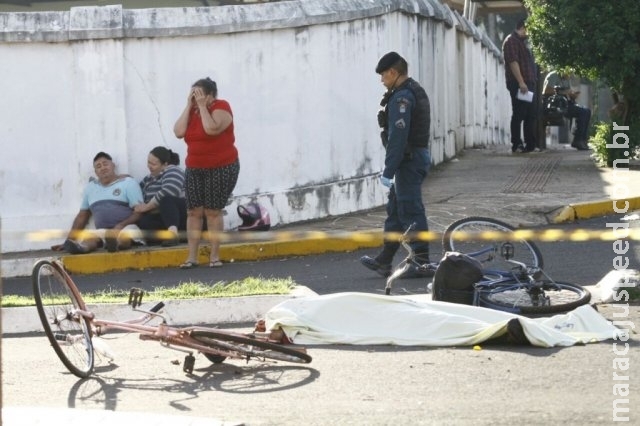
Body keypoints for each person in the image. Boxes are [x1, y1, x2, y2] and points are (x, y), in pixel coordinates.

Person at [359, 52, 432, 279]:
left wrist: (389, 170)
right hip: (408, 160)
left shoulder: (403, 98)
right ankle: (385, 259)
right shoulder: (407, 91)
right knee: (395, 211)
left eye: (383, 75)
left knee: (410, 210)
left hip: (408, 161)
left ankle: (421, 262)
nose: (382, 79)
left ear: (393, 72)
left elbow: (398, 139)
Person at [173, 77, 240, 269]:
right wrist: (189, 105)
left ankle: (214, 256)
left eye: (199, 94)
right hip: (195, 167)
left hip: (221, 166)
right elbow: (178, 132)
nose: (196, 98)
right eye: (193, 94)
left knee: (212, 211)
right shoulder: (192, 110)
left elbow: (212, 129)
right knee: (193, 212)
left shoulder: (221, 107)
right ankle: (191, 257)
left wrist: (202, 107)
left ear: (210, 95)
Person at [51, 152, 144, 254]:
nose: (103, 168)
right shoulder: (91, 188)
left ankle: (116, 243)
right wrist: (69, 240)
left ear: (113, 165)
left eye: (105, 164)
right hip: (103, 231)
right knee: (90, 237)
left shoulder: (128, 183)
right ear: (95, 172)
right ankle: (81, 248)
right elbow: (82, 216)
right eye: (98, 166)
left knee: (125, 236)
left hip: (126, 227)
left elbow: (139, 212)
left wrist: (120, 226)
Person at [134, 146, 187, 246]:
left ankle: (173, 235)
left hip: (182, 215)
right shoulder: (147, 179)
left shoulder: (173, 170)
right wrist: (126, 179)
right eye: (148, 162)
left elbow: (169, 192)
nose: (149, 166)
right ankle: (176, 236)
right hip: (163, 218)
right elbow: (136, 189)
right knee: (144, 223)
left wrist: (147, 207)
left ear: (165, 164)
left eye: (153, 164)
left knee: (166, 200)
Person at [502, 18, 538, 153]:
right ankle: (516, 143)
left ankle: (530, 145)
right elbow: (513, 62)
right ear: (522, 27)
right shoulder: (511, 41)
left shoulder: (521, 42)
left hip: (528, 83)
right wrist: (521, 82)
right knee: (519, 113)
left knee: (530, 114)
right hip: (519, 84)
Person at [542, 70, 591, 150]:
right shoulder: (553, 76)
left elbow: (567, 93)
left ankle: (581, 139)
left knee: (586, 111)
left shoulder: (567, 78)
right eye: (569, 72)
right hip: (554, 105)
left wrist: (572, 95)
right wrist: (565, 92)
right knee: (583, 112)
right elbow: (547, 91)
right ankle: (578, 141)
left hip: (565, 104)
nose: (570, 75)